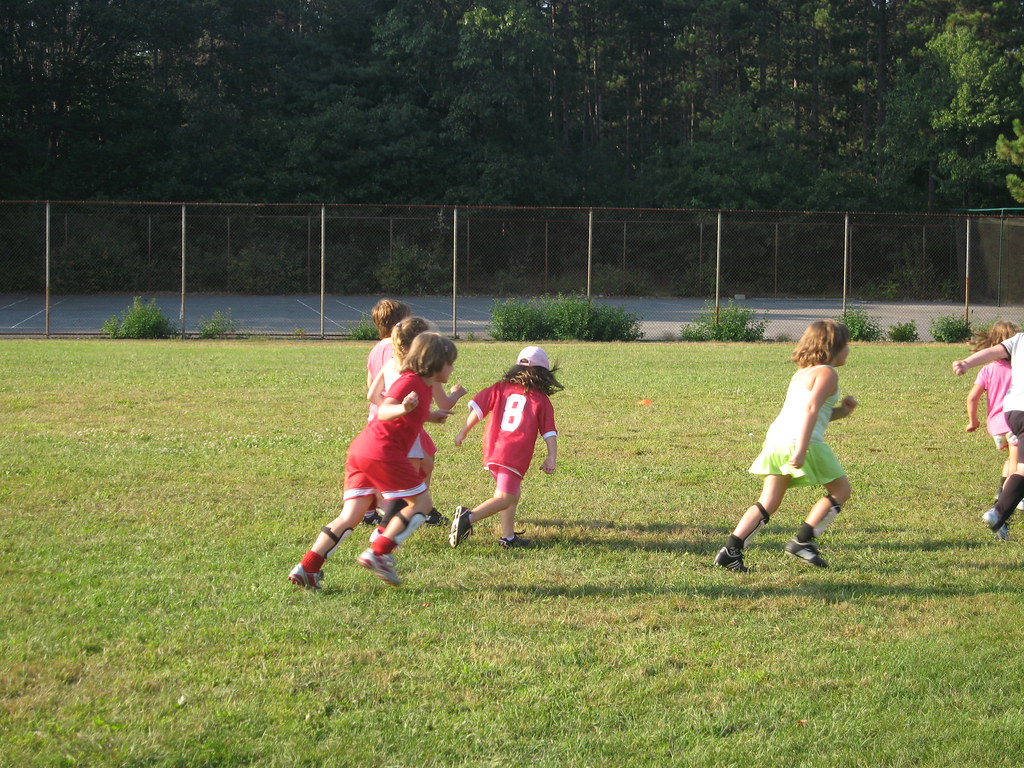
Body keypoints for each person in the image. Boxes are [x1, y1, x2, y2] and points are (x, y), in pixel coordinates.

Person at [288, 332, 458, 589]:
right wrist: (403, 408)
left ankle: (308, 567)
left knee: (351, 515)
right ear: (435, 361)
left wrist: (429, 416)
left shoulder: (423, 386)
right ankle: (379, 553)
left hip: (363, 451)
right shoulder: (409, 381)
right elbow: (386, 409)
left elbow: (409, 413)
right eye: (450, 363)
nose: (452, 369)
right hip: (383, 451)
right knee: (422, 503)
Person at [714, 320, 858, 572]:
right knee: (841, 490)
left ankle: (730, 551)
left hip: (778, 439)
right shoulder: (827, 373)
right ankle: (803, 541)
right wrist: (801, 449)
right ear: (833, 346)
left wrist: (842, 412)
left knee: (768, 501)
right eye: (846, 344)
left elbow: (815, 412)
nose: (849, 350)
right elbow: (811, 410)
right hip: (802, 442)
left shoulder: (803, 372)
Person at [448, 346, 561, 549]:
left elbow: (478, 410)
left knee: (512, 494)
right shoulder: (540, 399)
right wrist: (551, 456)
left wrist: (463, 431)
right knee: (505, 497)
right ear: (543, 374)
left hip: (493, 449)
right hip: (514, 453)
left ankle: (508, 537)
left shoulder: (500, 388)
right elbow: (549, 431)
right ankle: (467, 517)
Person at [368, 317, 467, 529]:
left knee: (425, 464)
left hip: (383, 428)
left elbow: (372, 395)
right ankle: (397, 520)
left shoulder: (391, 364)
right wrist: (457, 394)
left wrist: (405, 411)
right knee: (408, 482)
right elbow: (444, 402)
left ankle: (400, 513)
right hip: (404, 432)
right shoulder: (423, 373)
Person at [953, 325, 1024, 539]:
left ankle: (1002, 508)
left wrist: (967, 362)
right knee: (1020, 468)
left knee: (1018, 465)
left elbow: (992, 352)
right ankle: (1001, 510)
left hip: (1012, 412)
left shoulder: (1019, 340)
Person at [362, 299, 411, 526]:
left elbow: (371, 383)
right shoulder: (395, 350)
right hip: (395, 416)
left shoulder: (375, 350)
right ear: (398, 325)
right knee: (410, 462)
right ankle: (405, 506)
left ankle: (369, 510)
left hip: (376, 415)